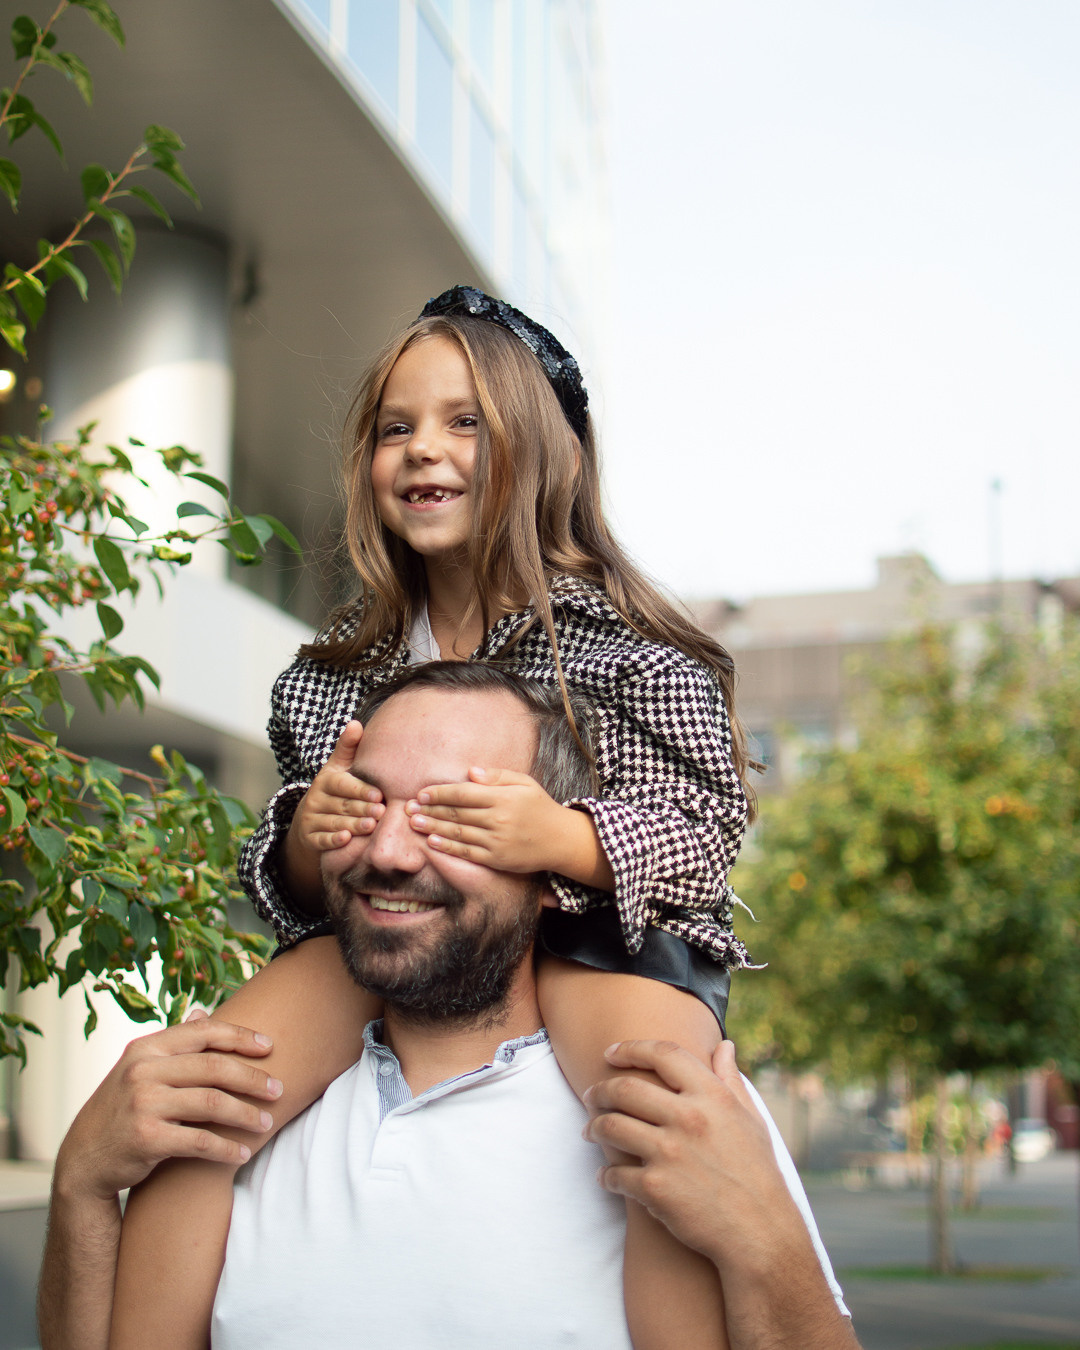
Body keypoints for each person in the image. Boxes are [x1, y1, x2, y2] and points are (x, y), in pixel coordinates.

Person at [105, 285, 763, 1347]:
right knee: (211, 1090)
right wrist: (312, 839)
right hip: (406, 941)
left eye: (466, 424)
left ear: (543, 457)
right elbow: (299, 885)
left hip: (605, 945)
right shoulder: (332, 679)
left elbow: (705, 831)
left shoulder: (632, 654)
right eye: (396, 428)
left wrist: (558, 838)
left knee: (663, 1115)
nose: (424, 450)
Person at [40, 665, 859, 1349]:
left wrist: (770, 1247)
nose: (391, 853)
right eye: (367, 804)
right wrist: (80, 1185)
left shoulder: (688, 1125)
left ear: (553, 871)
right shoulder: (226, 1112)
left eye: (453, 818)